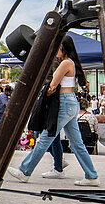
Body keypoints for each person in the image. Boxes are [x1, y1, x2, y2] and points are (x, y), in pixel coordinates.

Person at [7, 35, 100, 186]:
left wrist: (48, 92)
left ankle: (25, 171)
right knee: (77, 144)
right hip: (70, 102)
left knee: (45, 138)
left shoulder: (64, 64)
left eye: (58, 46)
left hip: (63, 103)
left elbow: (52, 85)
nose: (56, 49)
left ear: (64, 48)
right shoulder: (71, 63)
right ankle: (92, 176)